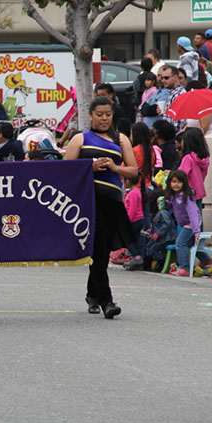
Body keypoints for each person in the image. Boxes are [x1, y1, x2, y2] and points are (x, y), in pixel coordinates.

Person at [64, 95, 138, 319]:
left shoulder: (121, 139)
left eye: (108, 114)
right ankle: (107, 301)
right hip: (88, 201)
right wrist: (91, 166)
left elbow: (134, 171)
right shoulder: (80, 138)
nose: (104, 118)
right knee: (97, 247)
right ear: (90, 116)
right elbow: (65, 170)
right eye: (99, 115)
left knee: (102, 250)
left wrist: (115, 168)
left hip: (112, 200)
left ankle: (92, 294)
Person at [164, 170, 212, 276]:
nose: (176, 184)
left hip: (191, 223)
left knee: (180, 243)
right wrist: (166, 204)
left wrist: (196, 232)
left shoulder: (187, 197)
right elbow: (174, 206)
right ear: (169, 183)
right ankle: (206, 259)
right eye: (174, 181)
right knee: (191, 244)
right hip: (186, 223)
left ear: (184, 183)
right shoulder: (174, 195)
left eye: (179, 182)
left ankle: (185, 267)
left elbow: (193, 214)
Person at [178, 127, 210, 215]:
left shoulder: (188, 158)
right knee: (198, 216)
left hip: (188, 193)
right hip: (199, 191)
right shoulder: (204, 158)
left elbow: (181, 175)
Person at [123, 173, 147, 271]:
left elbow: (132, 210)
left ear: (128, 181)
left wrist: (127, 222)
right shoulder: (137, 191)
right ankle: (137, 258)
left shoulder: (133, 193)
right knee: (136, 239)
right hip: (139, 220)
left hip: (134, 220)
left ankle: (137, 256)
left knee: (126, 239)